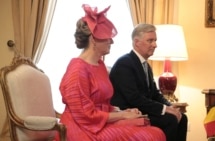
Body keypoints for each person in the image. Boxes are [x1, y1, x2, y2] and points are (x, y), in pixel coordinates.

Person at [55, 5, 166, 141]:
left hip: (99, 123)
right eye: (107, 37)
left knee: (154, 131)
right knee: (151, 136)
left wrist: (122, 111)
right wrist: (123, 116)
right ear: (93, 39)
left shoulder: (100, 64)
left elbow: (103, 104)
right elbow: (85, 115)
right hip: (81, 128)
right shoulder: (77, 70)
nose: (112, 41)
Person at [109, 23, 188, 141]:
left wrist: (169, 105)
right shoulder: (124, 64)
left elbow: (154, 93)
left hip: (143, 109)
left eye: (155, 40)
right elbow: (134, 98)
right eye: (150, 41)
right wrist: (164, 109)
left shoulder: (145, 65)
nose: (155, 45)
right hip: (130, 112)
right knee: (170, 120)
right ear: (136, 42)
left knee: (183, 117)